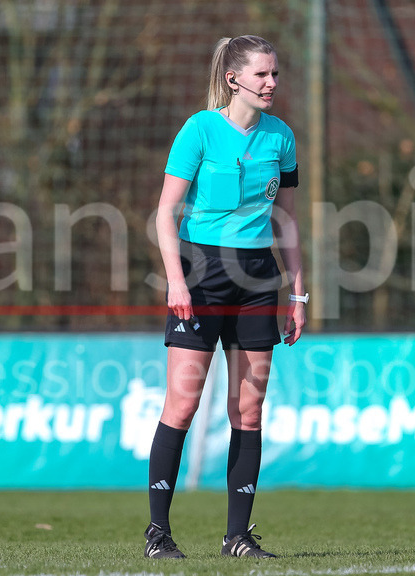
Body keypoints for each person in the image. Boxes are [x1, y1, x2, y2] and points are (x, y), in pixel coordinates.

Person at [144, 35, 307, 560]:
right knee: (185, 402)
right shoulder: (199, 130)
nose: (272, 83)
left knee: (249, 408)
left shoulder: (281, 137)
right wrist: (175, 279)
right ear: (234, 78)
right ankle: (158, 534)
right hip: (201, 270)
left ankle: (237, 536)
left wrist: (298, 293)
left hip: (258, 278)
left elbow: (287, 221)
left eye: (276, 74)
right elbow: (166, 212)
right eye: (262, 75)